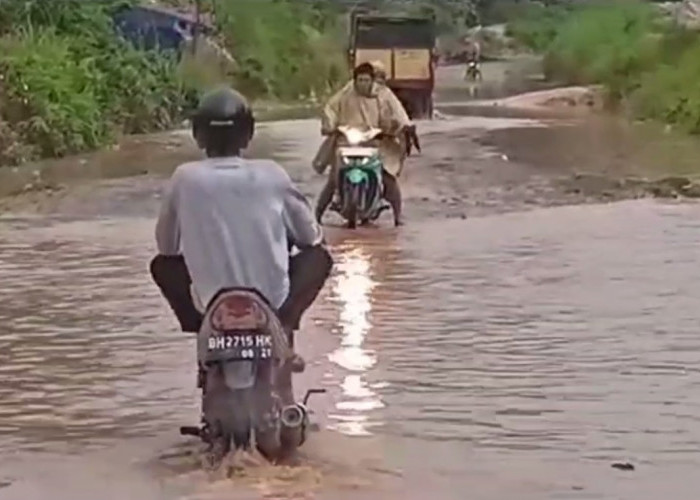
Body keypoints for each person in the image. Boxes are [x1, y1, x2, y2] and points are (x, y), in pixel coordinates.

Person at [149, 87, 333, 381]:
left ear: (198, 135)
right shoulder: (272, 173)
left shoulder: (183, 178)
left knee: (162, 265)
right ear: (248, 134)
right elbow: (311, 239)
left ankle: (201, 331)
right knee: (319, 257)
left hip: (207, 303)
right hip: (273, 301)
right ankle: (283, 330)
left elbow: (166, 249)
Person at [313, 62, 410, 227]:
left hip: (377, 142)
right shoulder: (345, 93)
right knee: (334, 178)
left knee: (388, 179)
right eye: (360, 80)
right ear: (355, 80)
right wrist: (330, 125)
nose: (363, 84)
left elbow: (398, 113)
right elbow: (331, 108)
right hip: (347, 143)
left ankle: (398, 216)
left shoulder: (384, 95)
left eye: (366, 80)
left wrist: (403, 126)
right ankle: (317, 216)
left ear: (372, 80)